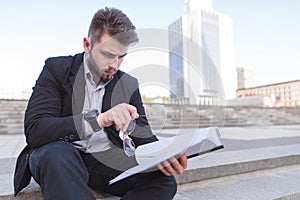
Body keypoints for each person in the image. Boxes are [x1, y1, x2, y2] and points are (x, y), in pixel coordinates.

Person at [14, 7, 187, 200]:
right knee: (58, 155)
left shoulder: (128, 84)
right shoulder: (56, 69)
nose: (114, 64)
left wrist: (164, 155)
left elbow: (142, 134)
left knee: (163, 180)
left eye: (121, 57)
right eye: (107, 54)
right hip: (59, 155)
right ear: (87, 44)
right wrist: (99, 120)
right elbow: (36, 130)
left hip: (103, 159)